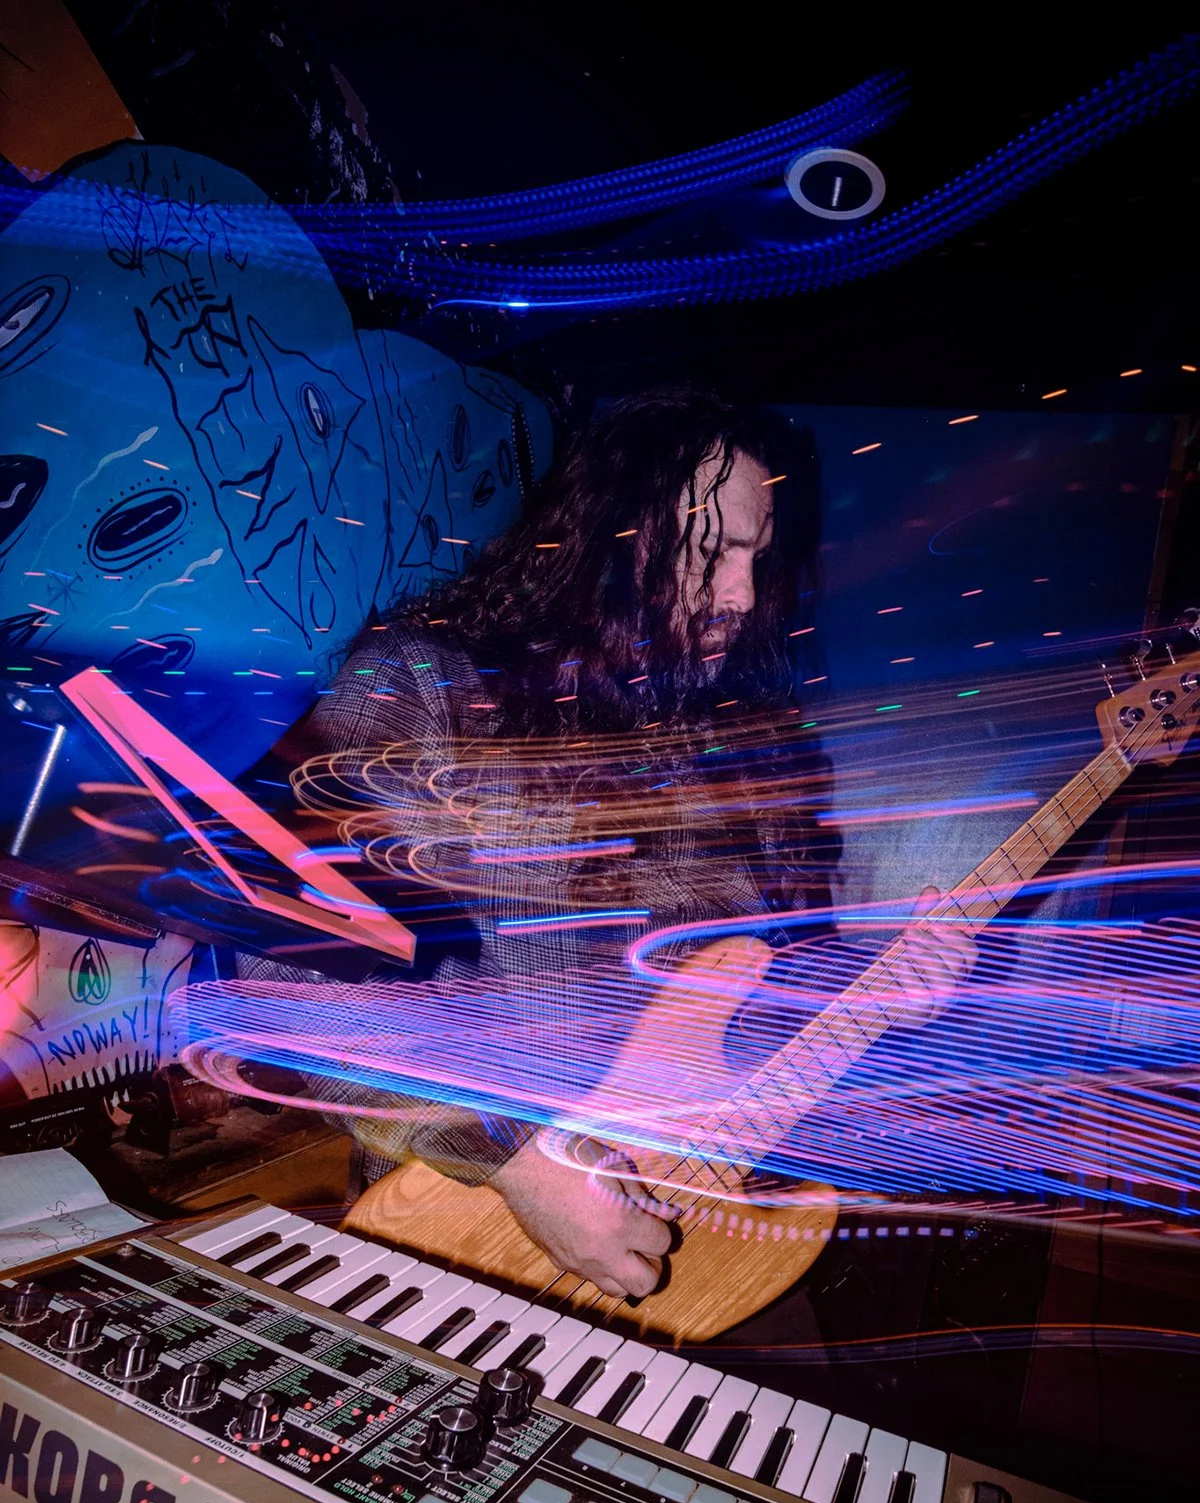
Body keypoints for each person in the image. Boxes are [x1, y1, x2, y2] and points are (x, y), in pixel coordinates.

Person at [287, 388, 972, 1301]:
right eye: (714, 548)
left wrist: (875, 995)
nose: (740, 594)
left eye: (757, 560)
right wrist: (521, 1162)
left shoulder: (759, 745)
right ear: (615, 533)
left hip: (707, 1239)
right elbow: (296, 978)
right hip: (470, 1246)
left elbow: (769, 994)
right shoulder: (424, 686)